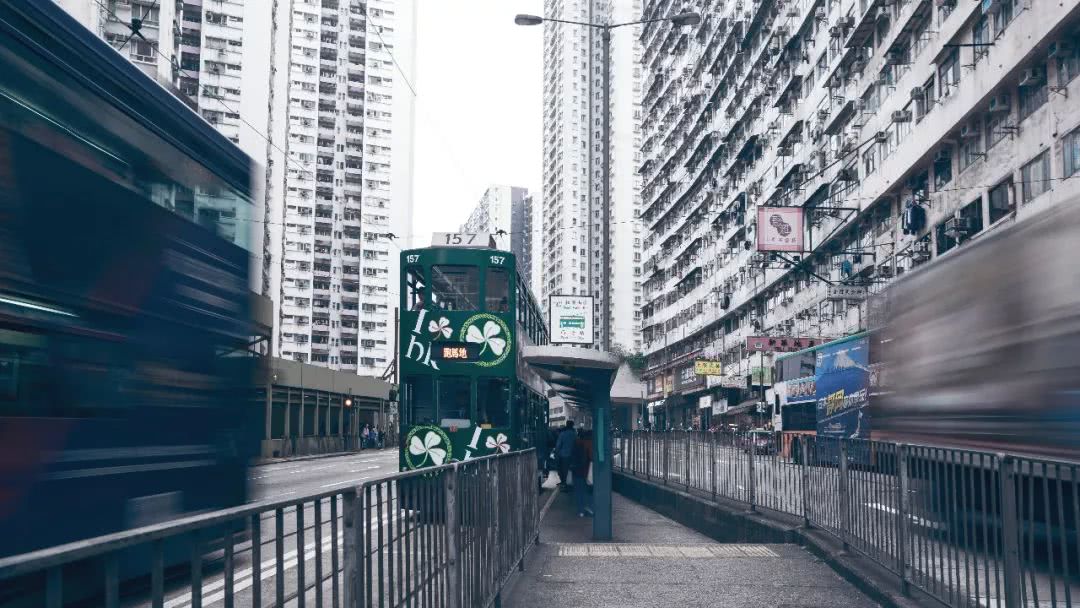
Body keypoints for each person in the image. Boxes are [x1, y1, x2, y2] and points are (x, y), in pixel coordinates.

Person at [571, 429, 594, 517]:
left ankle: (581, 510)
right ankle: (588, 508)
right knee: (588, 491)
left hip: (576, 470)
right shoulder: (589, 443)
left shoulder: (575, 443)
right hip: (587, 471)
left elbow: (572, 455)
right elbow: (591, 457)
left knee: (579, 491)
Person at [554, 420, 576, 490]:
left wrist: (556, 453)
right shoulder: (574, 434)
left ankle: (564, 483)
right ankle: (566, 483)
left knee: (562, 469)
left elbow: (558, 445)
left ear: (567, 425)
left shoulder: (563, 434)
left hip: (563, 455)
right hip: (571, 454)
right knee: (567, 469)